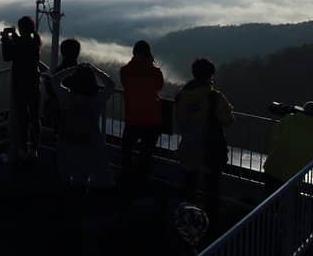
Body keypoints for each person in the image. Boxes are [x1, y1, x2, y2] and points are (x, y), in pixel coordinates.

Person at [173, 57, 233, 227]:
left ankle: (186, 222)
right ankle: (210, 226)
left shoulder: (182, 96)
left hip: (188, 147)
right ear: (210, 76)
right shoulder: (215, 97)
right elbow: (228, 119)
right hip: (210, 151)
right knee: (212, 191)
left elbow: (180, 121)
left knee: (189, 188)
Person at [49, 63, 115, 188]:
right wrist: (95, 70)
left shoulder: (66, 97)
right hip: (88, 144)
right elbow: (111, 85)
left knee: (64, 178)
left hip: (66, 141)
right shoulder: (96, 100)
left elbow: (54, 79)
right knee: (81, 180)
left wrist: (73, 68)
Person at [119, 40, 165, 186]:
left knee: (126, 150)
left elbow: (125, 83)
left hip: (132, 117)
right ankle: (141, 181)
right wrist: (150, 63)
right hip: (152, 118)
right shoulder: (155, 72)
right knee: (146, 154)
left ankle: (126, 179)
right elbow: (159, 86)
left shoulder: (125, 71)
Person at [1, 16, 46, 162]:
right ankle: (34, 149)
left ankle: (22, 148)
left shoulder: (23, 42)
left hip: (21, 84)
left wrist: (5, 39)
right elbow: (22, 45)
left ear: (21, 28)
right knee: (34, 117)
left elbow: (8, 56)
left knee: (22, 118)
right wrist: (14, 35)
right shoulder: (34, 40)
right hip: (34, 83)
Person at [263, 101, 313, 195]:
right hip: (293, 175)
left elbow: (275, 137)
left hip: (273, 166)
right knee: (286, 200)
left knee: (268, 197)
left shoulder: (288, 118)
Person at [43, 38, 81, 132]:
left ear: (62, 52)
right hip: (78, 113)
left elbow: (51, 90)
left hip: (57, 111)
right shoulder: (82, 72)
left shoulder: (59, 73)